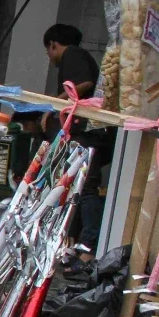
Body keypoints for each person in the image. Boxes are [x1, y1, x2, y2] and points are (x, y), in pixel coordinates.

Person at [43, 23, 109, 261]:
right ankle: (77, 243)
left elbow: (84, 84)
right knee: (78, 186)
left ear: (53, 44)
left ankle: (88, 245)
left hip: (86, 133)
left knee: (87, 186)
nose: (50, 57)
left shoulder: (73, 54)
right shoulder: (79, 56)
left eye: (48, 51)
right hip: (87, 132)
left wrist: (54, 106)